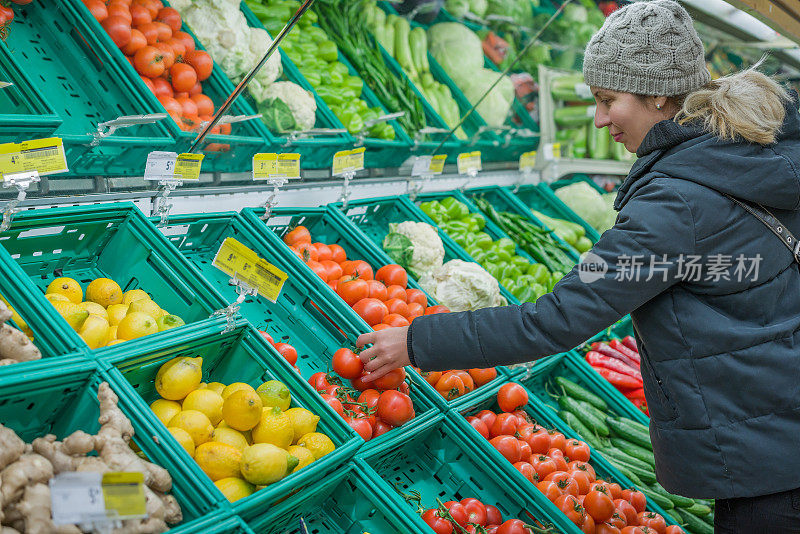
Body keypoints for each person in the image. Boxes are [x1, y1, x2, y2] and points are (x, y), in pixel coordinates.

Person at [356, 1, 800, 531]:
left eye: (609, 100)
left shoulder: (675, 205)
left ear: (658, 92)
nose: (600, 119)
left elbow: (555, 319)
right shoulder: (750, 154)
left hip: (763, 461)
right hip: (777, 427)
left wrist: (417, 342)